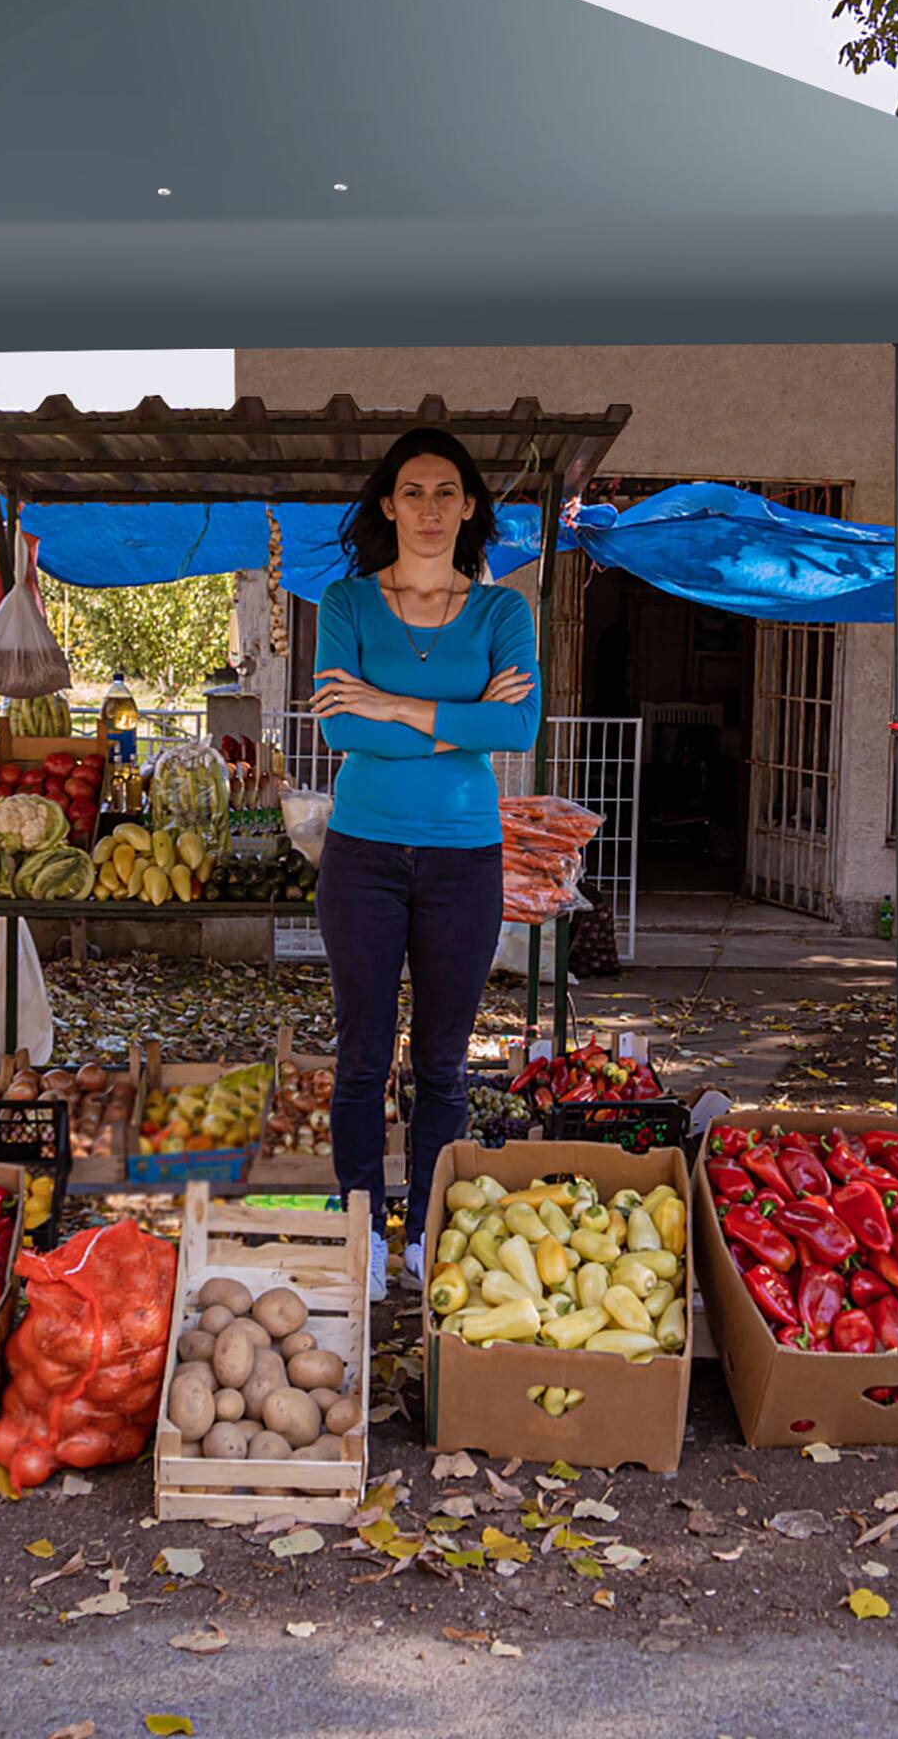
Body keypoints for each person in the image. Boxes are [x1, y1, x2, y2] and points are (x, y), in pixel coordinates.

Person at [311, 429, 540, 1299]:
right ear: (387, 505)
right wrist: (455, 713)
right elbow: (341, 728)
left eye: (448, 492)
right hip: (363, 854)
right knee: (363, 1055)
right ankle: (363, 1229)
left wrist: (393, 701)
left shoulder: (501, 612)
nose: (431, 508)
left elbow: (515, 731)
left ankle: (429, 1232)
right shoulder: (346, 602)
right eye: (413, 492)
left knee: (443, 1062)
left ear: (471, 506)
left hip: (463, 860)